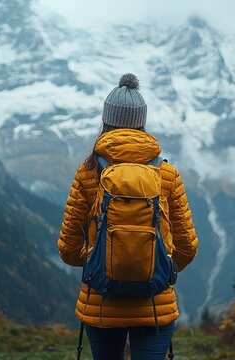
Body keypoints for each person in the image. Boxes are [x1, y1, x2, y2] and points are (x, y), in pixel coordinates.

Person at [58, 73, 198, 360]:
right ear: (141, 124)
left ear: (106, 121)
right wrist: (159, 268)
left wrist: (99, 260)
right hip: (155, 304)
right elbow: (187, 247)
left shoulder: (88, 174)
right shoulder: (166, 175)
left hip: (101, 305)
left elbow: (69, 250)